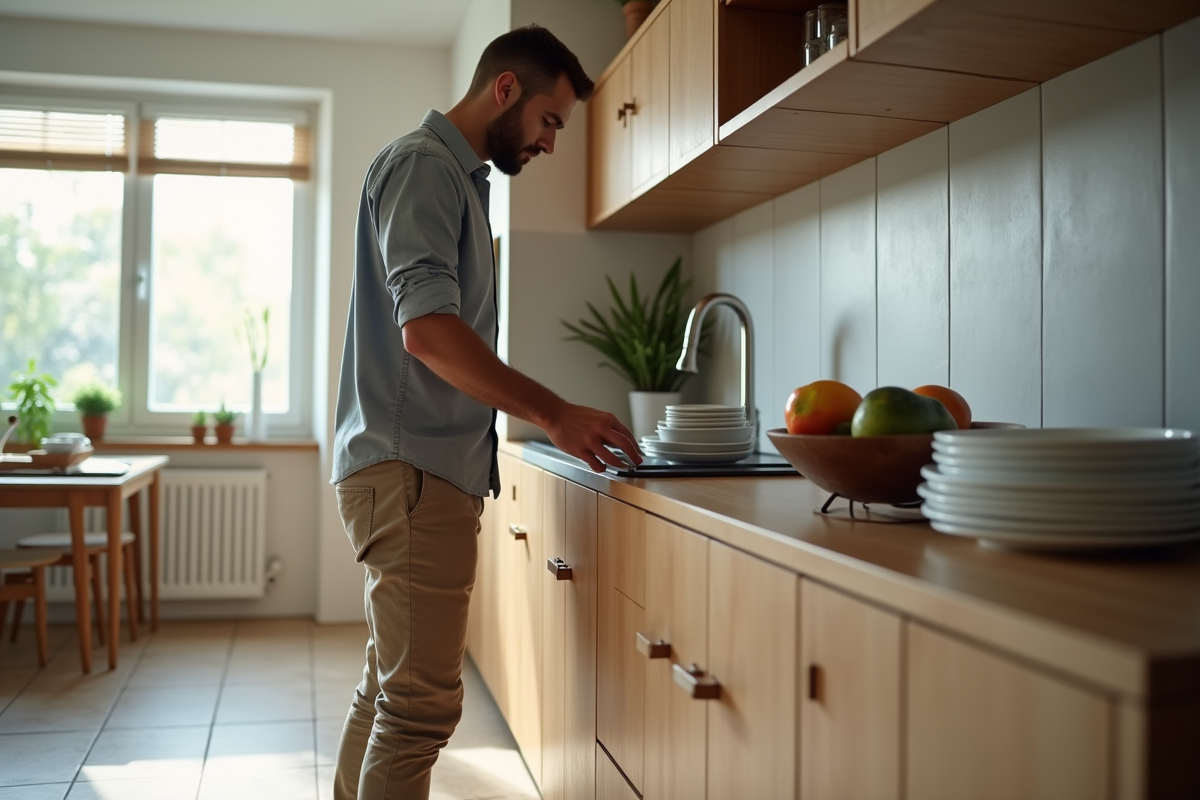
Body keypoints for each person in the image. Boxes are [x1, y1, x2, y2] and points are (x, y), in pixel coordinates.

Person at [329, 24, 642, 800]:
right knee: (419, 712)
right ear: (506, 89)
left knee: (390, 690)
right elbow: (429, 332)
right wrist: (554, 412)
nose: (551, 142)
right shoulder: (426, 167)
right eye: (549, 120)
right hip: (411, 471)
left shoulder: (457, 179)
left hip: (412, 471)